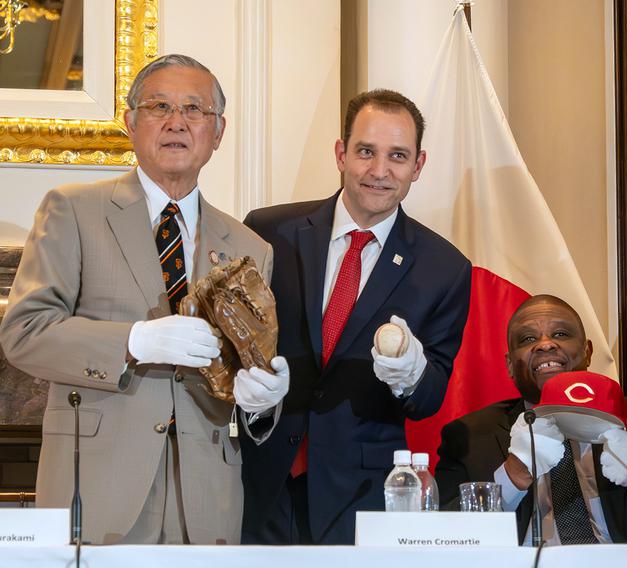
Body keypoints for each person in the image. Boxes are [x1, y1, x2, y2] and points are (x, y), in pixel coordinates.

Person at [0, 54, 288, 545]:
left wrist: (262, 401)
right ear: (131, 123)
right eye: (159, 106)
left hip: (205, 502)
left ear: (217, 133)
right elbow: (24, 333)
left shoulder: (248, 247)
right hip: (95, 489)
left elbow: (244, 367)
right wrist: (133, 341)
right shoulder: (72, 210)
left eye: (194, 109)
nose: (177, 121)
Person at [241, 89, 472, 545]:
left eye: (398, 156)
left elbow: (428, 398)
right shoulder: (268, 231)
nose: (379, 171)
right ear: (341, 153)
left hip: (362, 498)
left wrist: (410, 373)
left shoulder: (445, 267)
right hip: (258, 480)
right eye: (366, 151)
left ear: (418, 166)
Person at [435, 294, 627, 546]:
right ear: (510, 364)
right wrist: (512, 477)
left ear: (587, 352)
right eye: (528, 339)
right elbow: (439, 543)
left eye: (560, 333)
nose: (545, 344)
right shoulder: (469, 436)